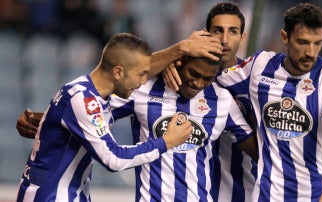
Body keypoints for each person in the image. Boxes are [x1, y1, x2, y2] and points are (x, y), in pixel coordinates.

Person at [167, 2, 322, 202]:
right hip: (267, 195)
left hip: (317, 196)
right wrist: (173, 62)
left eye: (317, 43)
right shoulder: (260, 66)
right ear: (285, 37)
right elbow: (212, 75)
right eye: (303, 42)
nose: (311, 53)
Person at [16, 32, 194, 201]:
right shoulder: (84, 100)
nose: (142, 82)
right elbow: (113, 159)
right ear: (118, 72)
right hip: (52, 196)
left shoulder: (91, 94)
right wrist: (166, 142)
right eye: (141, 74)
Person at [109, 52, 257, 201]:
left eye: (208, 79)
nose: (198, 83)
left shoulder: (222, 100)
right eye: (194, 73)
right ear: (180, 63)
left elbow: (260, 151)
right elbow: (97, 108)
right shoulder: (144, 90)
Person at [163, 2, 258, 202]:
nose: (224, 40)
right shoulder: (182, 72)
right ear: (205, 34)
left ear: (243, 37)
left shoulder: (254, 80)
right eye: (218, 31)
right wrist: (165, 63)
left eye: (233, 32)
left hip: (245, 189)